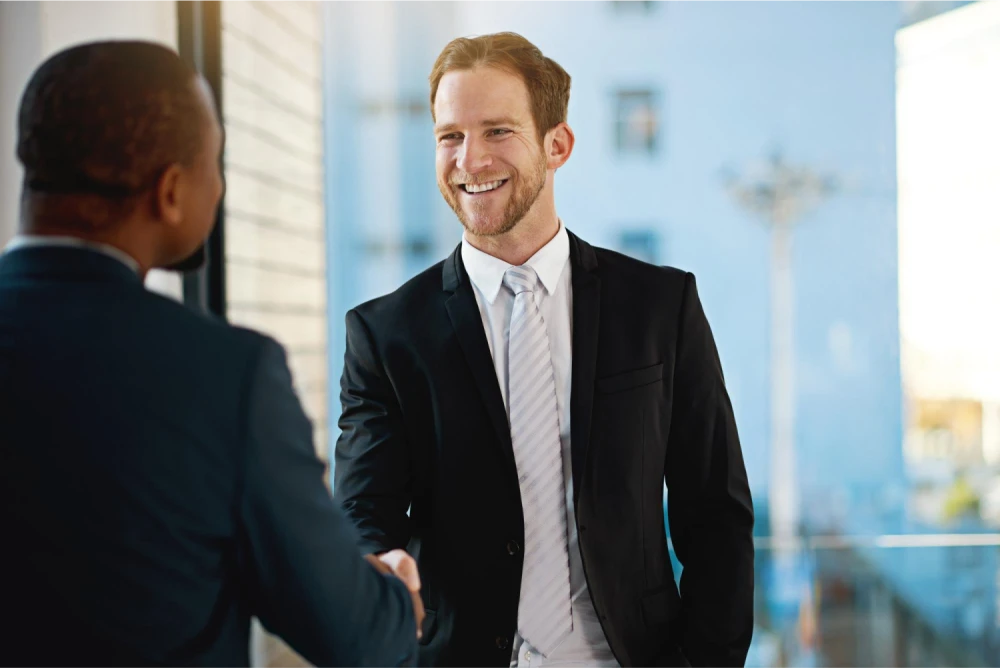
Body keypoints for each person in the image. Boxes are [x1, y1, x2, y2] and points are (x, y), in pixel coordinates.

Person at [334, 32, 754, 668]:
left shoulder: (660, 308)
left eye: (497, 131)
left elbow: (716, 516)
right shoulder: (385, 336)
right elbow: (365, 513)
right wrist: (376, 565)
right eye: (450, 136)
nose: (469, 161)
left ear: (557, 144)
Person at [0, 40, 421, 667]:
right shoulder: (226, 378)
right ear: (169, 192)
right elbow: (355, 636)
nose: (220, 187)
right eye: (216, 164)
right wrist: (393, 593)